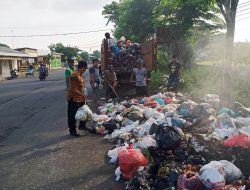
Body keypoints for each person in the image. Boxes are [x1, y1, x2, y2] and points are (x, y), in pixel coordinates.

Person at [67, 61, 88, 137]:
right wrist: (83, 95)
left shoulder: (80, 74)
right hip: (73, 98)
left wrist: (84, 93)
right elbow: (73, 89)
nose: (85, 70)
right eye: (84, 69)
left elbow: (81, 85)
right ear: (81, 67)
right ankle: (72, 131)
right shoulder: (74, 75)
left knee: (84, 111)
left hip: (80, 98)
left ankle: (82, 125)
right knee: (72, 115)